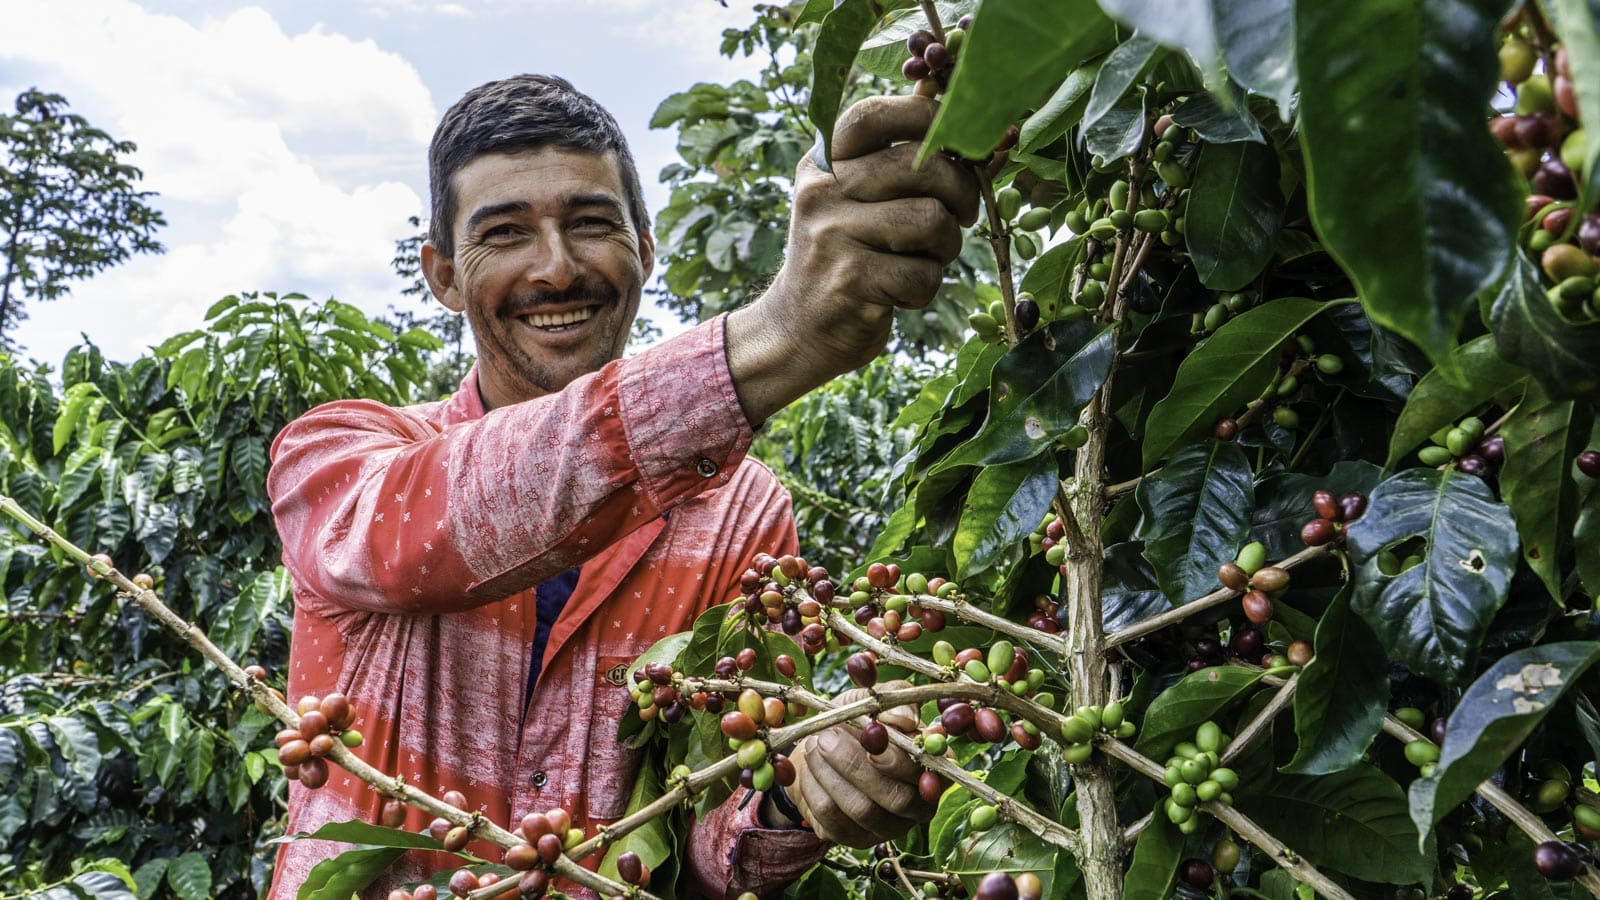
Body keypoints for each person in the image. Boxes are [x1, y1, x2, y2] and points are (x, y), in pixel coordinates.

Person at [265, 74, 977, 899]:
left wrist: (798, 794)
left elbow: (699, 839)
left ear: (645, 248)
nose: (556, 268)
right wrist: (777, 337)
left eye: (591, 224)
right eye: (505, 233)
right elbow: (437, 527)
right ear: (445, 275)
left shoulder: (744, 514)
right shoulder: (335, 459)